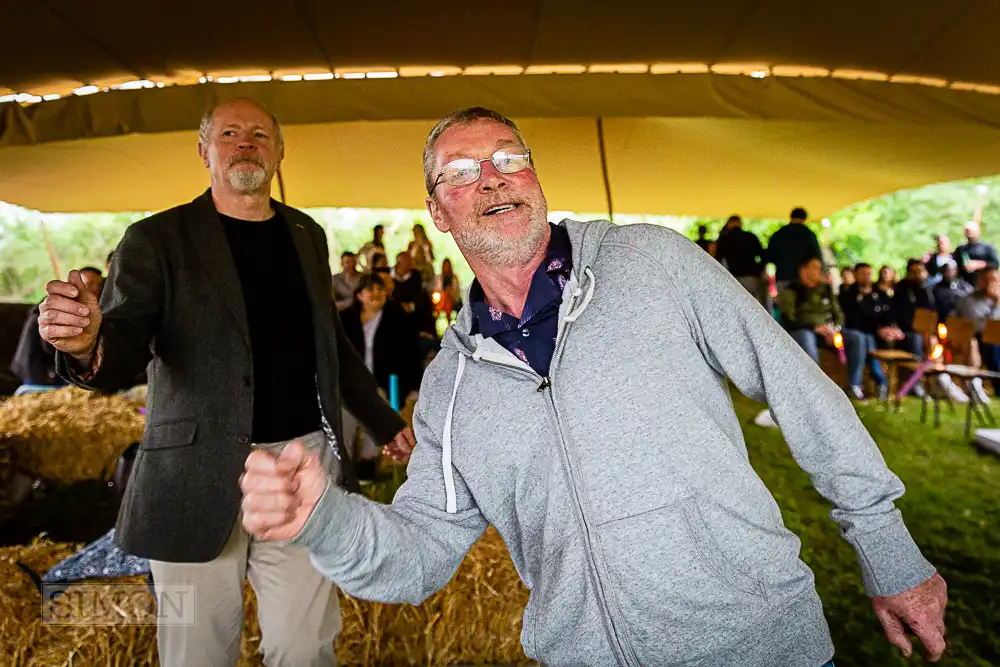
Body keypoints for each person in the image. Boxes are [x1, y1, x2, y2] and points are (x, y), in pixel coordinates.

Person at [240, 107, 947, 667]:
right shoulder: (453, 383)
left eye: (510, 158)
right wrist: (323, 519)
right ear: (439, 212)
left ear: (535, 178)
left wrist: (888, 547)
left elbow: (798, 389)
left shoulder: (656, 263)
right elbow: (421, 550)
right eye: (462, 170)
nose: (492, 176)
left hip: (760, 644)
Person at [37, 97, 414, 667]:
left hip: (300, 470)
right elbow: (126, 344)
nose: (246, 143)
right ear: (204, 150)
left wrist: (389, 425)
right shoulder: (155, 239)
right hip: (193, 478)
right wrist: (89, 342)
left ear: (280, 152)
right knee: (198, 652)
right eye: (230, 132)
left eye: (260, 134)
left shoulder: (306, 235)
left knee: (306, 645)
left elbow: (331, 349)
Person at [339, 274, 423, 480]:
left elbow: (410, 354)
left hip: (383, 384)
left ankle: (369, 469)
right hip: (350, 386)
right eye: (370, 290)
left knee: (376, 417)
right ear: (359, 295)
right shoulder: (346, 320)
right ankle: (346, 470)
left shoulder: (397, 316)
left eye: (380, 289)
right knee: (346, 422)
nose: (376, 294)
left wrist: (409, 387)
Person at [12, 267, 104, 393]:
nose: (94, 289)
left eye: (98, 285)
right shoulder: (56, 309)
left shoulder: (91, 309)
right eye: (89, 283)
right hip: (39, 369)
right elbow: (50, 345)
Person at [838, 263, 900, 401]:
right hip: (858, 335)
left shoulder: (880, 294)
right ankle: (877, 382)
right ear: (855, 275)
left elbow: (889, 314)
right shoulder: (848, 295)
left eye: (868, 274)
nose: (866, 277)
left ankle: (877, 383)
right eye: (862, 274)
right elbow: (853, 321)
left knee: (868, 339)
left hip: (879, 337)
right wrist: (877, 329)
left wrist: (891, 328)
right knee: (865, 339)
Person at [776, 256, 844, 364]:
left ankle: (855, 380)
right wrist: (813, 328)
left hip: (830, 332)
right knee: (806, 337)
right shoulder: (791, 290)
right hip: (806, 332)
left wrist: (835, 329)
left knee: (856, 338)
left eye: (819, 268)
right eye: (814, 267)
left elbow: (838, 313)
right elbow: (788, 320)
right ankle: (815, 379)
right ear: (803, 270)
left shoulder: (826, 289)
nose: (818, 271)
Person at [955, 267, 1000, 399]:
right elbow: (979, 326)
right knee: (992, 344)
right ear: (980, 281)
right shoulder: (969, 300)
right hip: (979, 338)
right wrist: (996, 305)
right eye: (988, 280)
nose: (992, 283)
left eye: (995, 280)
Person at [713, 214, 769, 310]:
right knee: (756, 307)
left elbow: (718, 260)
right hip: (752, 277)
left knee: (737, 308)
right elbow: (763, 256)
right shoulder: (751, 237)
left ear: (729, 224)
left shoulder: (725, 239)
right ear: (740, 224)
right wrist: (759, 270)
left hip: (733, 277)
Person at [767, 207, 823, 295]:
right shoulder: (808, 234)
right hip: (804, 280)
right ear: (804, 219)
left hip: (783, 276)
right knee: (804, 307)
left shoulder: (778, 234)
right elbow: (816, 257)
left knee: (786, 305)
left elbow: (769, 256)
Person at [954, 221, 999, 287]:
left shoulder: (987, 248)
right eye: (967, 231)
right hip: (965, 285)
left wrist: (979, 264)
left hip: (984, 285)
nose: (969, 234)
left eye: (972, 231)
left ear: (978, 232)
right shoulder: (961, 249)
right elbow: (954, 264)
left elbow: (995, 264)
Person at [434, 257, 463, 322]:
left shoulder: (454, 277)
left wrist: (449, 291)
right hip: (442, 299)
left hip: (452, 298)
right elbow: (437, 289)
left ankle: (438, 313)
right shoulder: (439, 277)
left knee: (446, 296)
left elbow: (457, 291)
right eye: (445, 265)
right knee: (445, 296)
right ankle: (448, 318)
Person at [408, 223, 436, 288]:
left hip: (427, 271)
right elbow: (409, 257)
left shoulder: (427, 243)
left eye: (417, 231)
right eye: (414, 231)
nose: (415, 233)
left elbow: (432, 258)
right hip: (415, 271)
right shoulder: (411, 244)